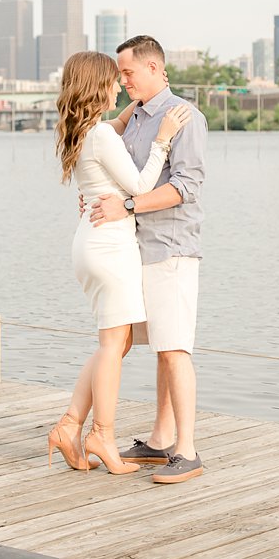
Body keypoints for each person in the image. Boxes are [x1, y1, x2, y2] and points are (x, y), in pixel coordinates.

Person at [47, 50, 191, 475]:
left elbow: (114, 126)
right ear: (97, 85)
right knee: (114, 345)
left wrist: (138, 106)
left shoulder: (85, 131)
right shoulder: (103, 137)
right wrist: (163, 137)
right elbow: (142, 185)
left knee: (118, 343)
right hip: (110, 247)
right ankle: (102, 436)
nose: (118, 85)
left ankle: (70, 426)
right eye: (114, 79)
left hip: (90, 244)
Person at [89, 34, 208, 484]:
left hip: (171, 248)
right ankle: (160, 441)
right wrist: (102, 201)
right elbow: (126, 177)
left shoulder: (185, 117)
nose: (122, 80)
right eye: (119, 73)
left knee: (175, 348)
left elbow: (186, 186)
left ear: (156, 68)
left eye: (128, 72)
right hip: (137, 249)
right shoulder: (134, 119)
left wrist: (129, 207)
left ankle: (188, 451)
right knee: (160, 346)